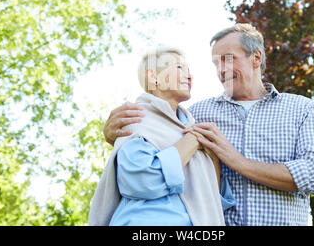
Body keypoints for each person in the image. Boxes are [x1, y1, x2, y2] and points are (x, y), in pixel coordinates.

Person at [103, 24, 314, 226]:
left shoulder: (301, 109)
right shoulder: (197, 115)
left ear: (256, 58)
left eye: (228, 59)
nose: (220, 70)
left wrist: (238, 161)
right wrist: (116, 135)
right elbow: (156, 149)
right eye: (215, 63)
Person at [89, 47, 235, 226]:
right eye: (180, 68)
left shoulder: (194, 128)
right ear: (153, 77)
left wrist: (212, 158)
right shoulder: (136, 118)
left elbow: (212, 201)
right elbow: (142, 181)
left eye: (189, 71)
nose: (189, 76)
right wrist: (192, 140)